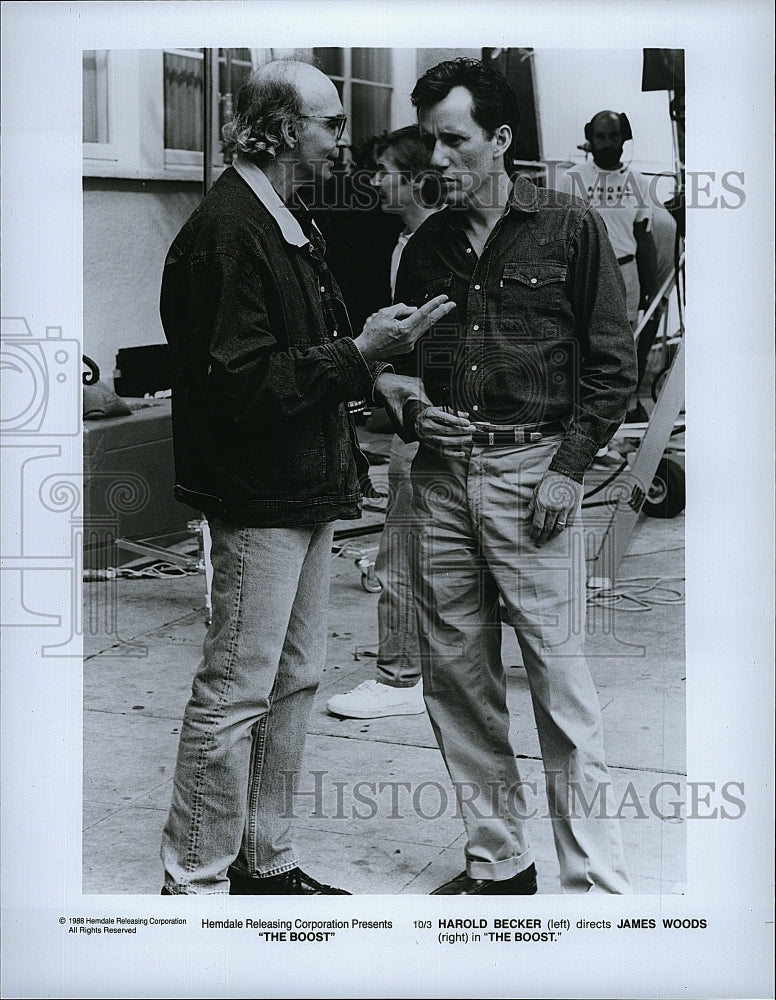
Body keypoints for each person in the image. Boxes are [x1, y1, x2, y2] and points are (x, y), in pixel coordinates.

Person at [158, 59, 454, 895]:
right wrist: (362, 352)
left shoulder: (282, 217)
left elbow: (295, 359)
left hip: (302, 483)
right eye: (328, 122)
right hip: (260, 494)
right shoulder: (229, 231)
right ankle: (198, 878)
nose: (341, 137)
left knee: (292, 681)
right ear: (285, 131)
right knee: (237, 688)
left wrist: (373, 356)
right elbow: (244, 384)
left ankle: (264, 857)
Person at [392, 58, 637, 894]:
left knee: (560, 683)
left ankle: (592, 880)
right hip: (440, 478)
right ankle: (499, 864)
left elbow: (612, 368)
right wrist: (411, 409)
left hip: (536, 475)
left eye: (454, 140)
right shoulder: (423, 249)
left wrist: (569, 471)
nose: (438, 159)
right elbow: (399, 369)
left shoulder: (569, 227)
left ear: (500, 139)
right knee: (457, 678)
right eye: (429, 141)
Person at [326, 125, 440, 719]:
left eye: (385, 171)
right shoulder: (405, 241)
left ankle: (400, 678)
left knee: (404, 549)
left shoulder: (437, 244)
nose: (373, 182)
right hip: (413, 412)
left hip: (426, 418)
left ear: (419, 179)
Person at [557, 110, 658, 329]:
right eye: (600, 137)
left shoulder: (639, 183)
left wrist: (653, 290)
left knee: (626, 344)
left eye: (613, 136)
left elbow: (644, 238)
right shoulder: (570, 180)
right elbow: (558, 239)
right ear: (591, 140)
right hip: (585, 276)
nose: (607, 143)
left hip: (626, 274)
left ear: (624, 139)